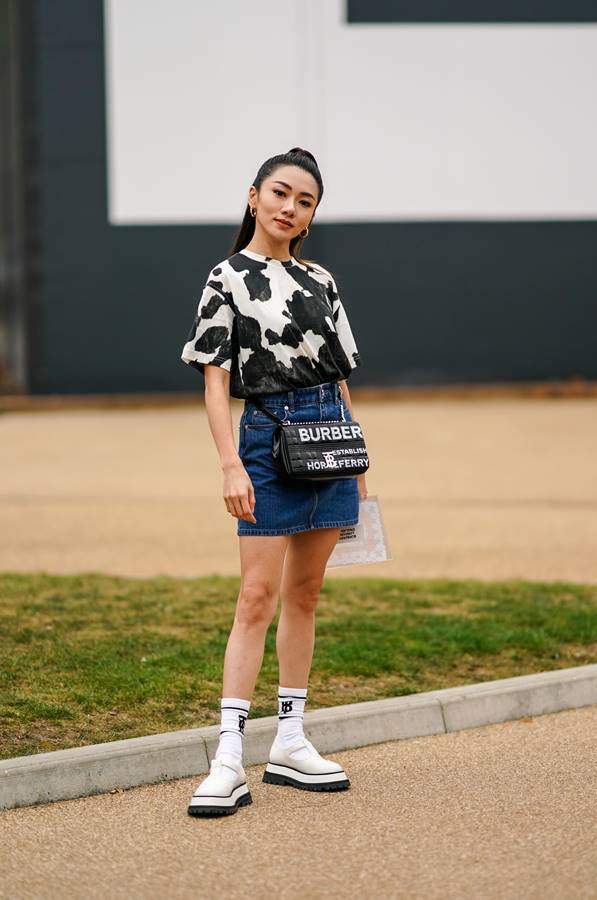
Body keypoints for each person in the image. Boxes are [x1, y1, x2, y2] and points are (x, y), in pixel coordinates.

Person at [180, 147, 367, 816]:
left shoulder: (321, 280)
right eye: (281, 193)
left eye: (305, 200)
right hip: (265, 439)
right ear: (254, 196)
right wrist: (230, 462)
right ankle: (228, 756)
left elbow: (339, 377)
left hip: (330, 439)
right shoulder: (226, 276)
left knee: (306, 595)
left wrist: (362, 468)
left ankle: (290, 739)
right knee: (255, 597)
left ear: (312, 216)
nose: (290, 207)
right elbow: (215, 378)